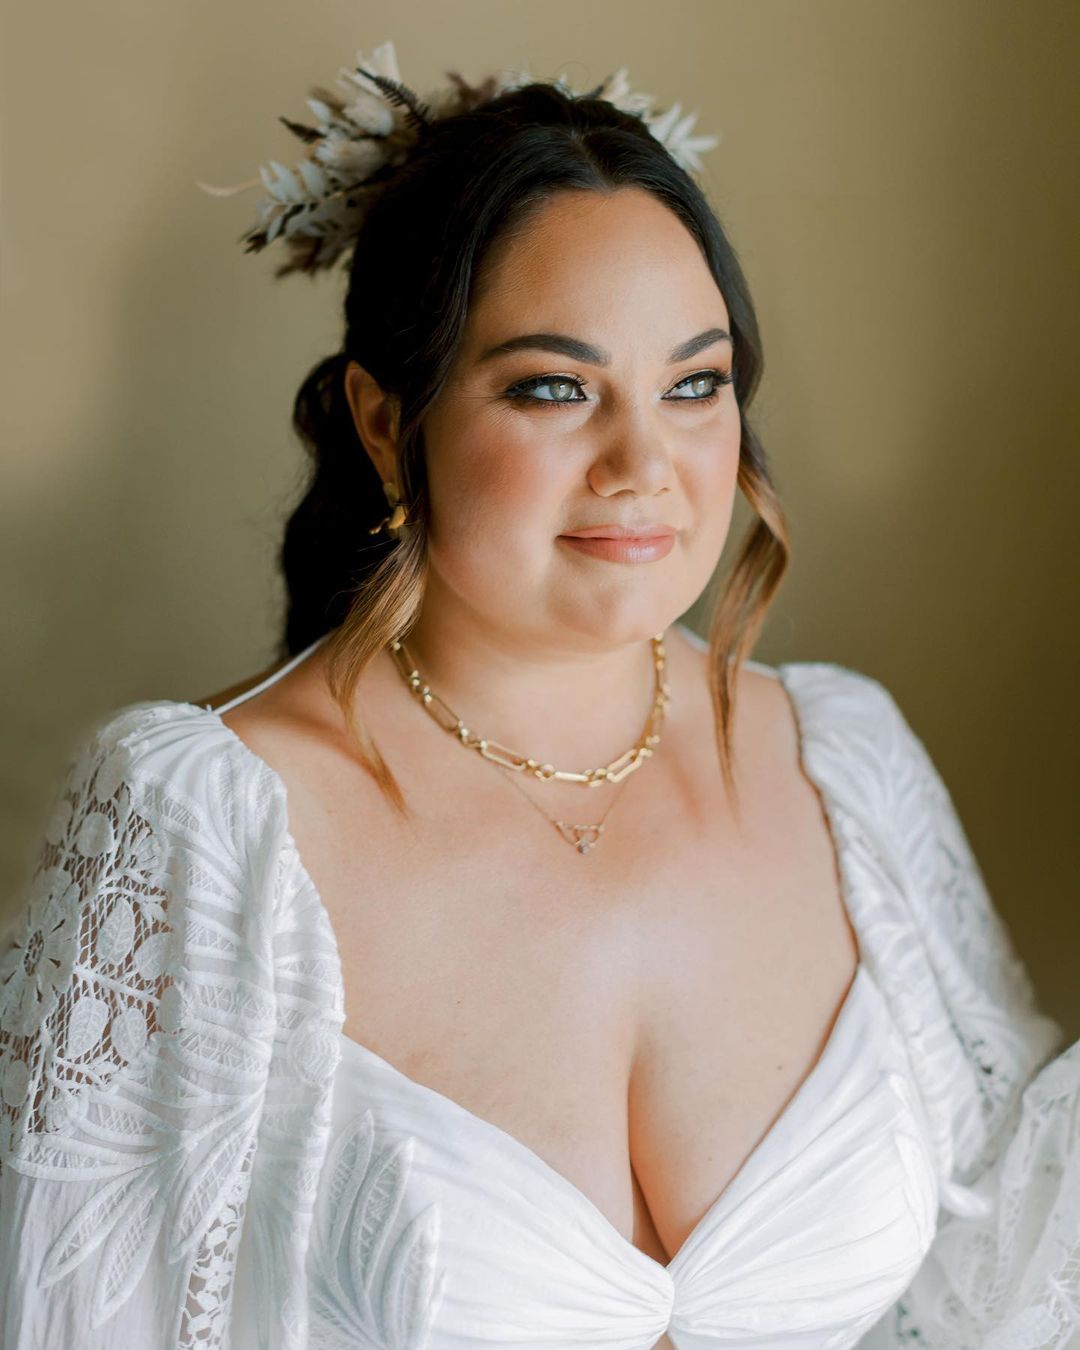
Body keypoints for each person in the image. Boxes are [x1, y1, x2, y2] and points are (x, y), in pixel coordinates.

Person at [0, 39, 1077, 1350]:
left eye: (694, 383)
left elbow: (1014, 1257)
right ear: (387, 422)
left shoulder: (844, 763)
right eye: (555, 387)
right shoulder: (201, 825)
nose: (644, 463)